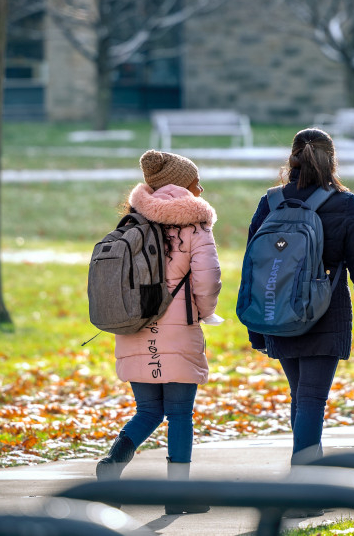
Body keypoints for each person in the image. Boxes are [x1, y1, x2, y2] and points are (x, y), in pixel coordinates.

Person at [245, 128, 354, 470]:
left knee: (301, 398)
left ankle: (310, 476)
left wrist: (257, 330)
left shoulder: (272, 201)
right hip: (326, 312)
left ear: (291, 158)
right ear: (332, 160)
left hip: (278, 312)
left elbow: (255, 268)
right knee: (310, 400)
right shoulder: (344, 203)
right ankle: (304, 485)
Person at [96, 150, 221, 515]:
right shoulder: (194, 225)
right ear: (182, 184)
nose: (200, 186)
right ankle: (178, 497)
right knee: (180, 413)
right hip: (178, 327)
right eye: (195, 180)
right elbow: (208, 279)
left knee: (149, 410)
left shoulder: (131, 223)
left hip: (134, 328)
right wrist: (206, 313)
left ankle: (113, 464)